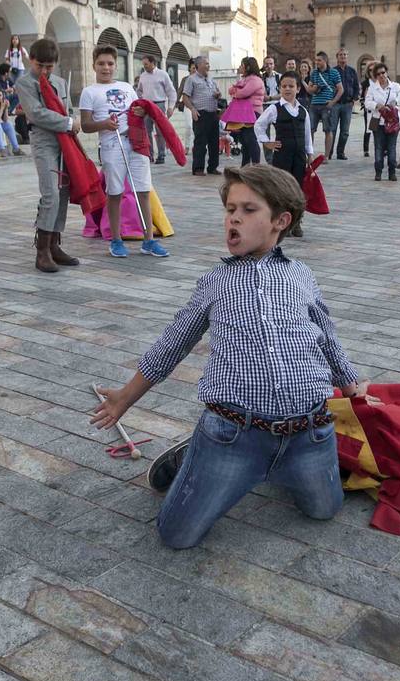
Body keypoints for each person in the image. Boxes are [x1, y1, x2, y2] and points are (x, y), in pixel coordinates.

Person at [89, 164, 369, 549]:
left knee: (324, 510)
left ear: (280, 221)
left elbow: (327, 335)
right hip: (233, 436)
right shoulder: (215, 282)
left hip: (309, 433)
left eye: (248, 210)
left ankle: (277, 468)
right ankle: (199, 455)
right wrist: (125, 397)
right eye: (229, 209)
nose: (233, 218)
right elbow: (172, 344)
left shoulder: (302, 275)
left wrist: (353, 385)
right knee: (176, 536)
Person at [80, 45, 168, 259]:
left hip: (136, 142)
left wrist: (141, 111)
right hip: (112, 145)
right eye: (101, 63)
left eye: (110, 63)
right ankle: (116, 239)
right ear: (94, 66)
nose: (106, 67)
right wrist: (104, 124)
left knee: (143, 190)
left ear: (116, 66)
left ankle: (148, 240)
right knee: (115, 192)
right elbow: (85, 125)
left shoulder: (127, 87)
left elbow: (137, 110)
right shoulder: (89, 92)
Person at [17, 37, 82, 272]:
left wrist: (73, 120)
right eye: (39, 66)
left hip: (65, 140)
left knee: (63, 191)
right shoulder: (25, 83)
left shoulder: (61, 82)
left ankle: (55, 243)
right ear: (31, 60)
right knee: (51, 193)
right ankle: (42, 250)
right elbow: (36, 114)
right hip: (43, 141)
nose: (44, 71)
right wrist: (68, 121)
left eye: (49, 66)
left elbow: (70, 109)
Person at [255, 71, 313, 237]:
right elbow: (258, 125)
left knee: (299, 189)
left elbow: (307, 134)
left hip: (300, 156)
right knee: (282, 189)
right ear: (280, 88)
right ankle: (282, 223)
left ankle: (296, 222)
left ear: (298, 88)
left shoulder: (303, 111)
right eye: (284, 86)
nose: (288, 89)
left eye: (291, 86)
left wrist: (310, 153)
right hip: (282, 155)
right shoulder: (274, 109)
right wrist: (267, 142)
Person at [364, 62, 400, 182]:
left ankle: (392, 172)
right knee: (379, 147)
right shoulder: (372, 88)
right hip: (378, 122)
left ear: (386, 73)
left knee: (392, 147)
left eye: (383, 72)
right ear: (375, 76)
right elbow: (367, 103)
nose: (381, 75)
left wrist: (394, 102)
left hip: (392, 121)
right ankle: (378, 172)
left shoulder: (395, 86)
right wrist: (377, 105)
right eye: (378, 74)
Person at [181, 55, 221, 175]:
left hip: (213, 113)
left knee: (214, 143)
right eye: (206, 63)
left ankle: (212, 167)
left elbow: (218, 92)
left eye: (208, 64)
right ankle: (198, 168)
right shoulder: (191, 79)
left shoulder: (211, 79)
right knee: (200, 143)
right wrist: (192, 109)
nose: (208, 66)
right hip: (200, 114)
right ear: (198, 65)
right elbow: (185, 97)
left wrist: (217, 95)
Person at [135, 53, 177, 164]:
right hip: (146, 105)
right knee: (146, 130)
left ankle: (161, 155)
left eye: (146, 64)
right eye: (143, 64)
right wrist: (140, 101)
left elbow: (171, 91)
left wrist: (171, 107)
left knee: (160, 131)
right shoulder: (143, 76)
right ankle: (149, 155)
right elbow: (138, 90)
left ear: (153, 63)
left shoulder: (163, 75)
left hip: (159, 105)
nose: (145, 66)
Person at [224, 56, 265, 167]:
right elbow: (231, 90)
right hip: (243, 113)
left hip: (253, 112)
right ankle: (245, 165)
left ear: (247, 67)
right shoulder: (244, 79)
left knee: (250, 138)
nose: (240, 67)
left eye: (242, 65)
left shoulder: (255, 80)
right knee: (244, 140)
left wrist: (236, 91)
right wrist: (236, 91)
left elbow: (243, 93)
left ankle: (256, 165)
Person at [306, 51, 343, 160]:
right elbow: (309, 90)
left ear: (325, 60)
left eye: (319, 60)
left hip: (326, 105)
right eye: (316, 60)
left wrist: (333, 102)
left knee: (328, 130)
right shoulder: (314, 73)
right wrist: (314, 89)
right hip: (314, 104)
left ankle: (326, 156)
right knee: (310, 130)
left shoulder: (334, 72)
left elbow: (341, 89)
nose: (316, 62)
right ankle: (310, 156)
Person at [332, 49, 359, 160]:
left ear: (347, 57)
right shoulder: (333, 71)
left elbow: (356, 86)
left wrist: (354, 99)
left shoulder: (352, 71)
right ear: (337, 57)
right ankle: (329, 152)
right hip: (335, 104)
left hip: (348, 104)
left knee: (345, 131)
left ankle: (340, 152)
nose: (343, 56)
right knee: (332, 129)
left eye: (345, 55)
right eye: (340, 55)